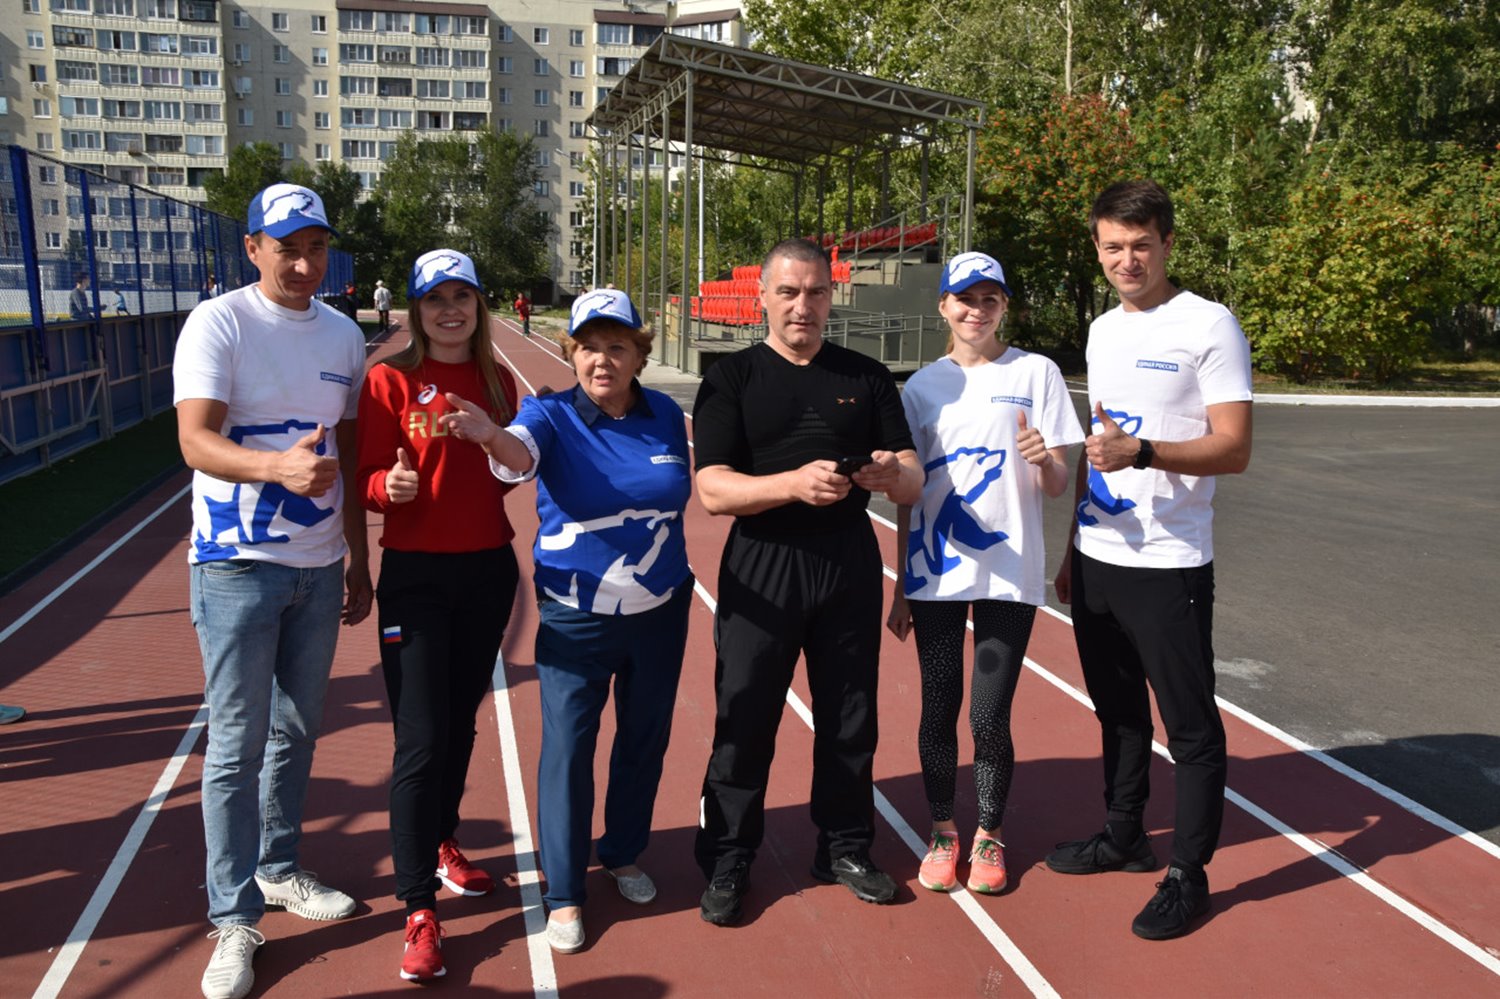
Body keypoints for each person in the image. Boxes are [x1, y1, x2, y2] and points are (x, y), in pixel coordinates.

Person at [443, 287, 693, 955]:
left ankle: (623, 851)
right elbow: (519, 454)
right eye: (588, 348)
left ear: (639, 354)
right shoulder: (548, 413)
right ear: (571, 353)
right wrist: (492, 436)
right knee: (568, 751)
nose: (602, 360)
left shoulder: (666, 415)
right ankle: (564, 891)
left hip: (661, 610)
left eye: (617, 346)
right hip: (577, 617)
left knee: (644, 738)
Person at [173, 182, 372, 999]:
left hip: (318, 568)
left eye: (316, 248)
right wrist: (275, 468)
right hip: (235, 566)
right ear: (252, 247)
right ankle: (232, 917)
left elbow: (348, 456)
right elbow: (194, 440)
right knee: (235, 743)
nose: (303, 264)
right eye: (286, 248)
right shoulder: (218, 323)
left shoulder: (344, 334)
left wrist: (358, 555)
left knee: (296, 729)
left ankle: (279, 866)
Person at [690, 238, 923, 926]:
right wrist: (791, 483)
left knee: (851, 715)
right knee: (744, 714)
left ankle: (845, 846)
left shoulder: (867, 375)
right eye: (789, 292)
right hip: (762, 562)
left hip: (847, 561)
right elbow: (712, 489)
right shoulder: (731, 377)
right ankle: (729, 854)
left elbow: (913, 476)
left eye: (816, 291)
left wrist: (891, 474)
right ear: (762, 296)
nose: (803, 305)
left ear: (832, 296)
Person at [1046, 180, 1252, 940]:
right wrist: (1072, 547)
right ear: (1097, 248)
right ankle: (1124, 834)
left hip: (1170, 563)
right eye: (1112, 246)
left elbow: (1234, 448)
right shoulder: (1102, 330)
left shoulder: (1209, 324)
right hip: (1099, 557)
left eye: (1140, 245)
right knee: (1118, 712)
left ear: (1166, 243)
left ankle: (1189, 874)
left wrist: (1147, 453)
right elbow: (1098, 444)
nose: (1126, 259)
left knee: (1190, 728)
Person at [887, 252, 1083, 895]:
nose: (977, 310)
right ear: (943, 306)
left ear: (1004, 307)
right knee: (938, 707)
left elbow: (1058, 483)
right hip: (936, 576)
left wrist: (1043, 460)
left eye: (989, 299)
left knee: (989, 716)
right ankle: (944, 830)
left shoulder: (1037, 372)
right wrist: (902, 583)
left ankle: (990, 834)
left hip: (1008, 573)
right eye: (965, 299)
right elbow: (907, 493)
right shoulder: (922, 388)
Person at [355, 249, 520, 981]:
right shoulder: (388, 380)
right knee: (420, 737)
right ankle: (418, 906)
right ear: (416, 309)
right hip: (416, 578)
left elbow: (515, 467)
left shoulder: (498, 381)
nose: (450, 310)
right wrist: (383, 487)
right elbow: (366, 473)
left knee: (460, 722)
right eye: (434, 299)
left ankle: (443, 838)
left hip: (487, 571)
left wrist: (491, 438)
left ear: (480, 305)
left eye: (462, 296)